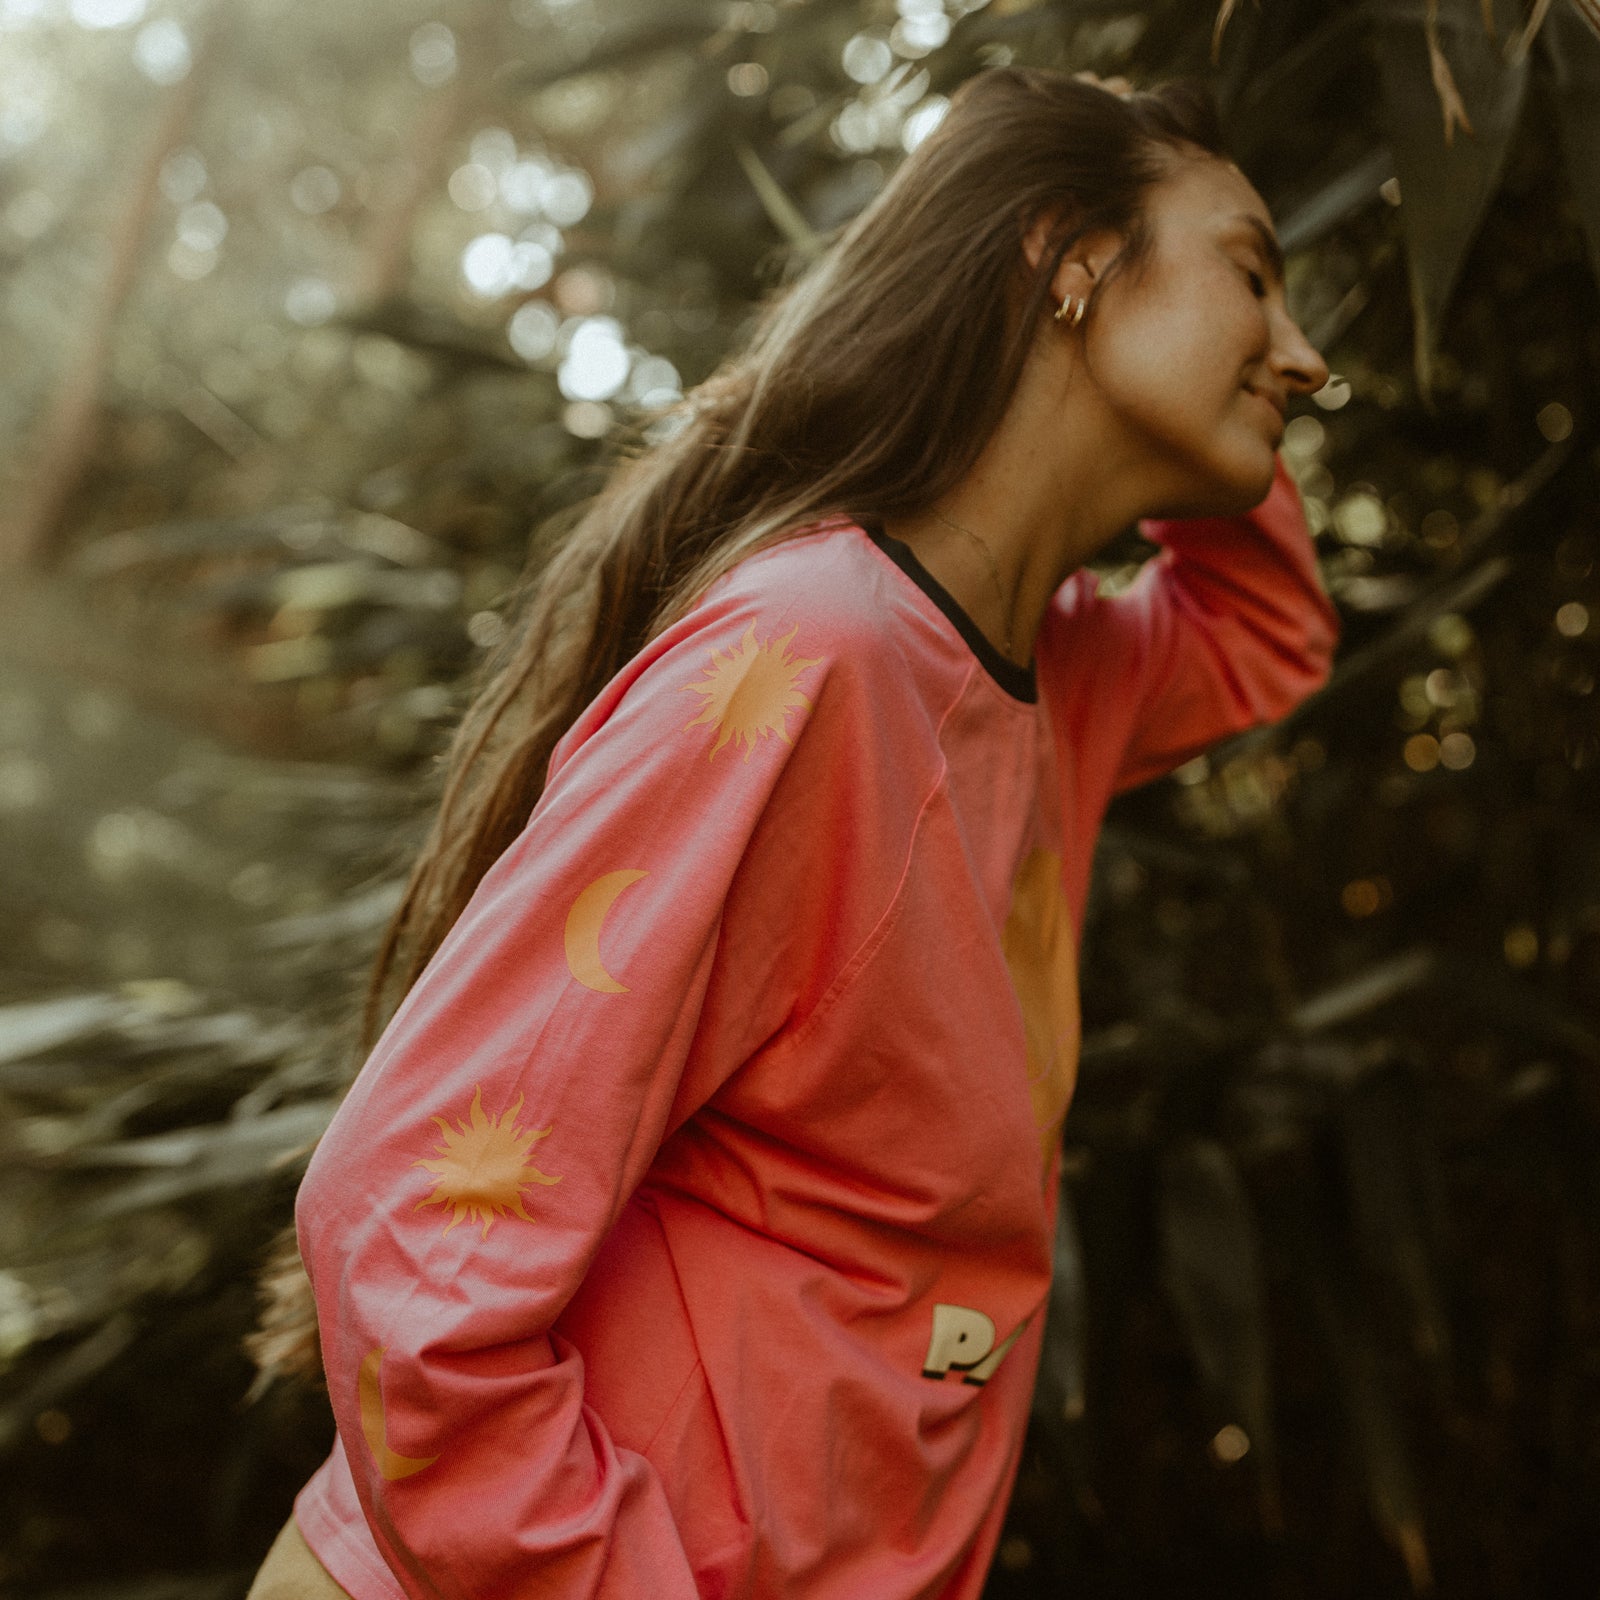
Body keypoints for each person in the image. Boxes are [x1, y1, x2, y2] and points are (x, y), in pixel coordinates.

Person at [247, 63, 1336, 1600]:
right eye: (1252, 273)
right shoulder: (814, 660)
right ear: (1070, 253)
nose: (1307, 356)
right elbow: (415, 1222)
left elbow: (1264, 632)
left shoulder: (1053, 680)